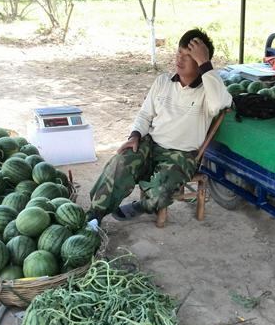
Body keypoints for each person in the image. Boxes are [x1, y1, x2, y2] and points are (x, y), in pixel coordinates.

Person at [87, 28, 232, 222]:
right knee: (119, 163)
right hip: (150, 145)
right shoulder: (163, 81)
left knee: (161, 191)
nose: (179, 59)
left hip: (181, 156)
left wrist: (206, 64)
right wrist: (135, 135)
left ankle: (143, 205)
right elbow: (145, 114)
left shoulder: (208, 92)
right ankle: (94, 215)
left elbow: (221, 103)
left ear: (200, 61)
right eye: (179, 52)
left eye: (188, 56)